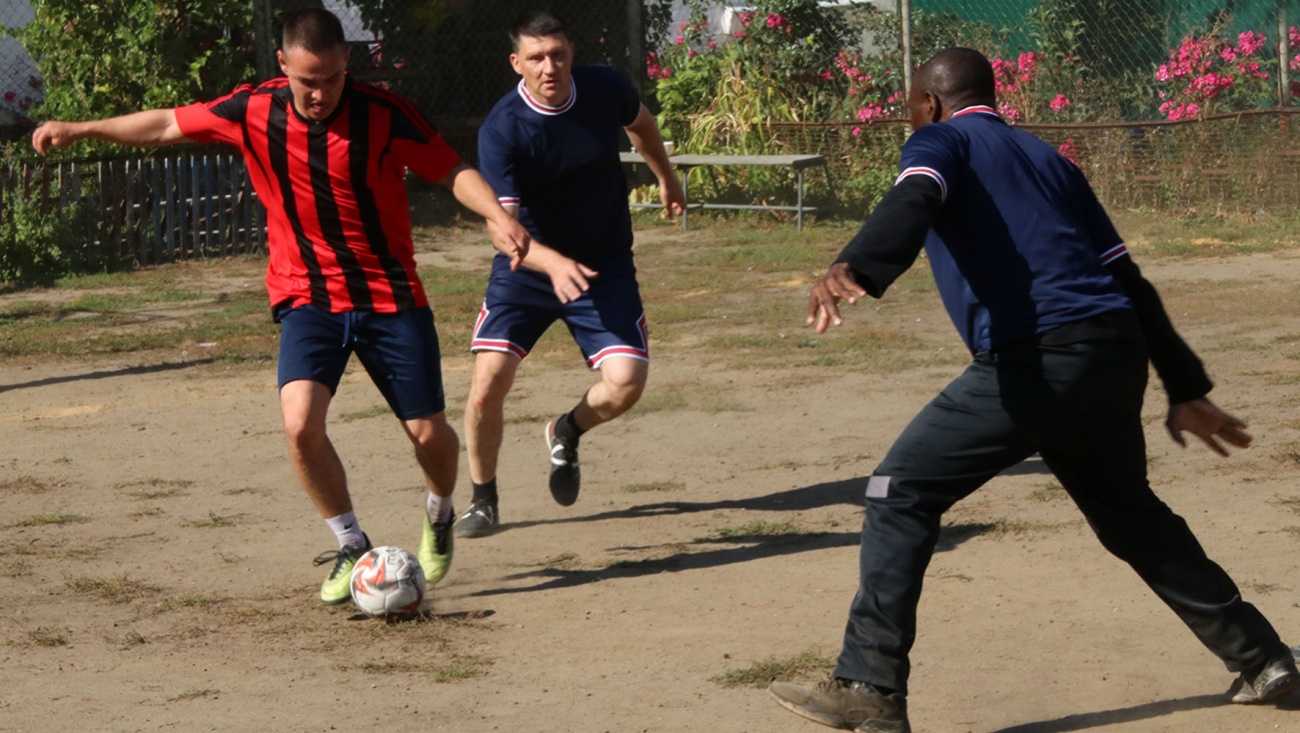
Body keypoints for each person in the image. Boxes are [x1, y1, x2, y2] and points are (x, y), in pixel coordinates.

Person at [768, 48, 1298, 733]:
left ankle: (869, 685)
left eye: (909, 102)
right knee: (1130, 513)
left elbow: (915, 195)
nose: (907, 114)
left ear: (930, 100)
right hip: (1112, 353)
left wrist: (856, 266)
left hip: (1038, 359)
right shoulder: (1051, 160)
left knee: (898, 491)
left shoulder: (940, 138)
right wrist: (1183, 383)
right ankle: (1261, 656)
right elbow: (1128, 280)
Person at [30, 8, 531, 606]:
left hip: (389, 297)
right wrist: (81, 129)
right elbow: (166, 124)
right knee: (300, 425)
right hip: (306, 297)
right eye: (306, 81)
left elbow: (449, 168)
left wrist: (498, 215)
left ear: (348, 64)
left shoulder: (383, 114)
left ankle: (441, 512)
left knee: (428, 434)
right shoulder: (254, 108)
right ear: (283, 66)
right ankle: (350, 542)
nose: (319, 94)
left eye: (331, 79)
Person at [454, 10, 685, 538]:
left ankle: (567, 429)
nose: (549, 66)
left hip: (602, 266)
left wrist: (666, 178)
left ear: (571, 54)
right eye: (536, 57)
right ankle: (483, 499)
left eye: (557, 54)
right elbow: (501, 230)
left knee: (626, 383)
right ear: (517, 64)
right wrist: (551, 261)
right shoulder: (503, 128)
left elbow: (642, 123)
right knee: (488, 383)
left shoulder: (604, 88)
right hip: (528, 270)